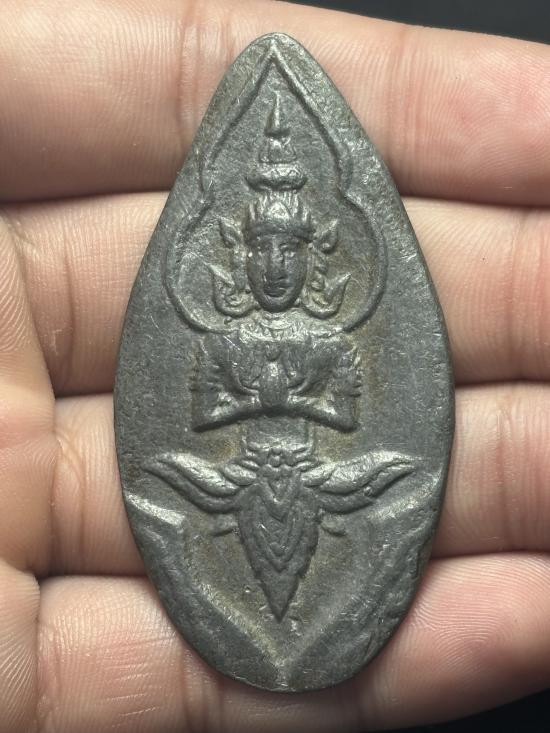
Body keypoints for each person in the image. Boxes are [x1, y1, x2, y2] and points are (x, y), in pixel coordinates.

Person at [1, 1, 549, 731]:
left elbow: (346, 415)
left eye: (287, 250)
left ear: (311, 254)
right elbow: (202, 416)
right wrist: (260, 401)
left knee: (395, 478)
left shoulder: (333, 338)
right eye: (261, 251)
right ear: (240, 255)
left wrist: (284, 397)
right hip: (238, 478)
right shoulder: (217, 337)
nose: (274, 266)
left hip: (317, 475)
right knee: (167, 475)